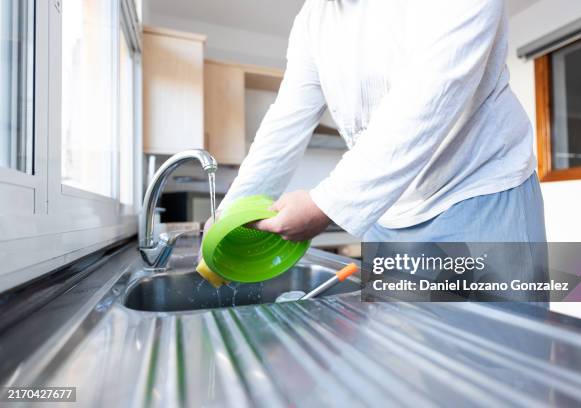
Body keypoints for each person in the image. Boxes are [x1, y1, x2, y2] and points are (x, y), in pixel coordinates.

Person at [207, 0, 547, 245]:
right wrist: (230, 215)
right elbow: (286, 118)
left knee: (496, 342)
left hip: (479, 195)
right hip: (386, 211)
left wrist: (325, 204)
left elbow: (427, 101)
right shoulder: (314, 17)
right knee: (394, 343)